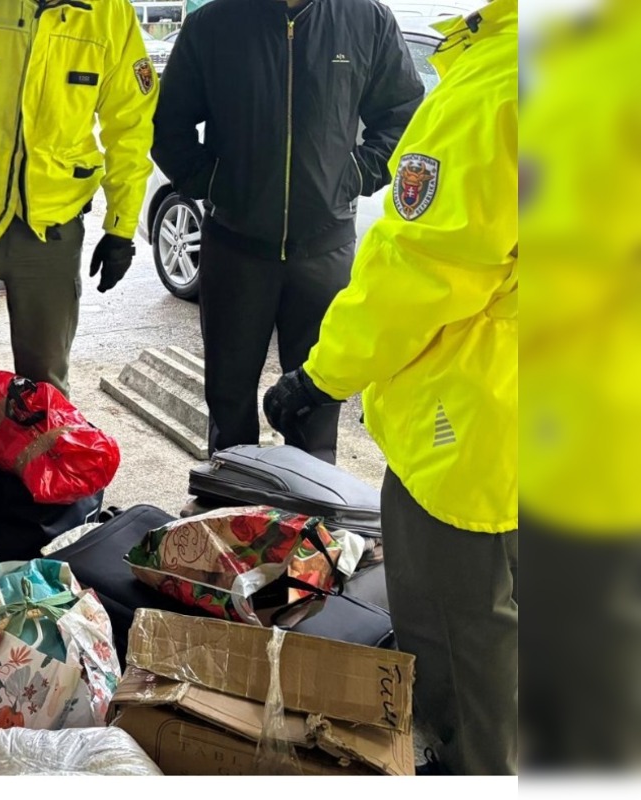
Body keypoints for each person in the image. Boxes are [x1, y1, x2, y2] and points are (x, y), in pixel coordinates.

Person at [263, 0, 518, 774]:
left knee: (462, 625)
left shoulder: (501, 85)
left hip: (476, 425)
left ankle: (470, 766)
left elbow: (418, 274)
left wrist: (319, 375)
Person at [0, 0, 158, 517]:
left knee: (44, 384)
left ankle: (35, 503)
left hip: (53, 229)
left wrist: (122, 227)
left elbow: (130, 123)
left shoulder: (109, 15)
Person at [152, 0, 424, 463]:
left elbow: (405, 117)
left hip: (325, 249)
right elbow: (168, 128)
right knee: (229, 396)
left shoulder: (365, 19)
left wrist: (356, 175)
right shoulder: (214, 23)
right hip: (235, 248)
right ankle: (230, 512)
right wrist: (214, 184)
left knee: (316, 399)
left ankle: (313, 521)